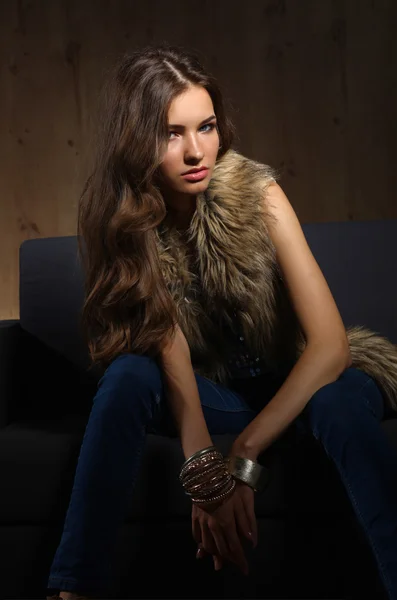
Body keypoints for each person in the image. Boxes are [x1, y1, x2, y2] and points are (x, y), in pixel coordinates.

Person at [46, 43, 397, 600]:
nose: (195, 151)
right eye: (171, 133)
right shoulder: (126, 221)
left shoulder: (258, 194)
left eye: (206, 127)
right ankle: (72, 591)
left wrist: (246, 453)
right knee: (128, 376)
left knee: (339, 402)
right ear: (137, 141)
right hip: (217, 393)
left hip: (307, 380)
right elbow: (169, 350)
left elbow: (330, 346)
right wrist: (204, 473)